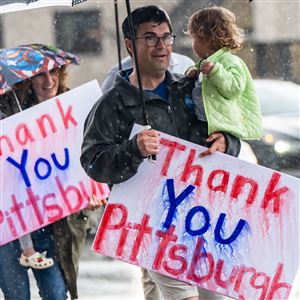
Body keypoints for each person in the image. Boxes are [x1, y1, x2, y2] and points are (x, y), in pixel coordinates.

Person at [80, 5, 240, 300]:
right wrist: (133, 149)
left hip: (204, 220)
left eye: (167, 37)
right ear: (130, 45)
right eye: (150, 38)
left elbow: (229, 131)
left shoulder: (191, 88)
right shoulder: (111, 105)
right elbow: (93, 162)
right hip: (155, 227)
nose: (162, 46)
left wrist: (226, 143)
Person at [0, 65, 107, 300]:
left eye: (54, 72)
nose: (49, 80)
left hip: (51, 223)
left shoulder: (75, 111)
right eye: (40, 74)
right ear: (28, 80)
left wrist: (90, 192)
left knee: (56, 293)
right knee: (16, 295)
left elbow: (86, 160)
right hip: (9, 225)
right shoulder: (9, 110)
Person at [185, 6, 262, 140]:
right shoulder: (206, 62)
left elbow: (235, 88)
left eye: (194, 39)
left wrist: (216, 72)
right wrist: (194, 71)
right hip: (204, 123)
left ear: (207, 38)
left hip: (221, 127)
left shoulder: (230, 61)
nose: (193, 44)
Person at [101, 52, 194, 93]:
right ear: (130, 44)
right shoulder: (116, 74)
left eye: (165, 37)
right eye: (150, 38)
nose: (160, 45)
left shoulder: (186, 63)